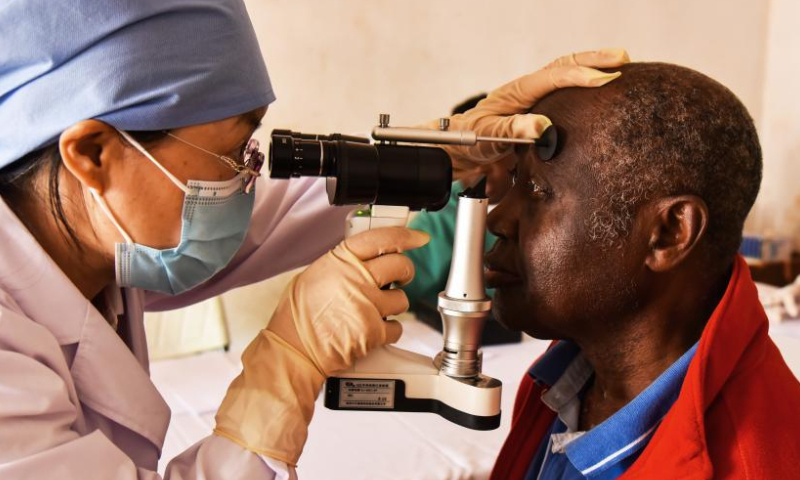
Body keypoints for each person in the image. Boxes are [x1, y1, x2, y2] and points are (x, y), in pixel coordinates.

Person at [0, 1, 629, 478]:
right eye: (228, 156)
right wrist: (284, 367)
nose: (249, 179)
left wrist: (451, 144)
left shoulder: (98, 235)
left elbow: (299, 205)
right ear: (92, 153)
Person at [484, 62, 800, 480]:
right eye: (513, 183)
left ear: (668, 233)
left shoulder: (749, 465)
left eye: (538, 191)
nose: (498, 219)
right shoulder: (566, 379)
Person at [403, 93, 521, 344]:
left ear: (517, 150)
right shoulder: (441, 212)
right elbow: (401, 286)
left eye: (490, 152)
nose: (481, 167)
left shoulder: (540, 203)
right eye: (468, 156)